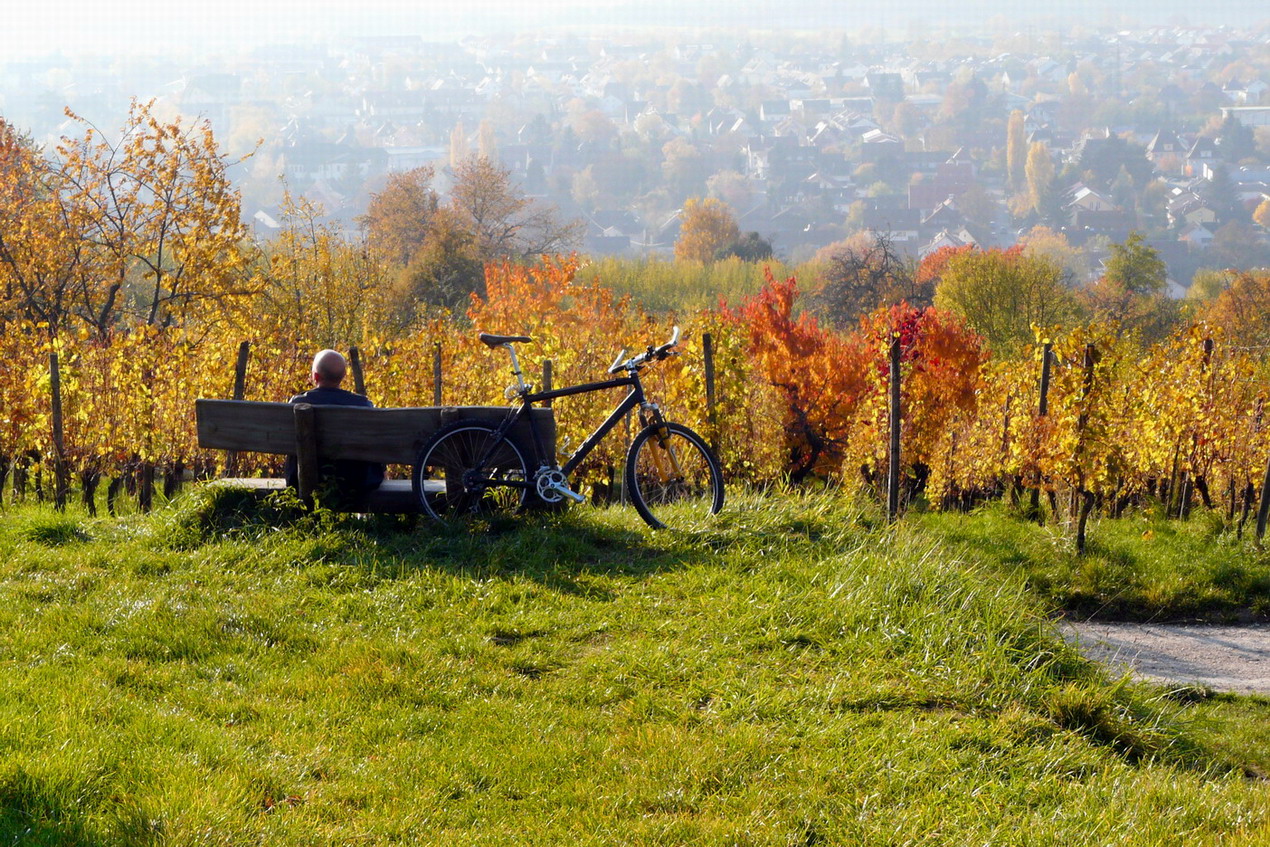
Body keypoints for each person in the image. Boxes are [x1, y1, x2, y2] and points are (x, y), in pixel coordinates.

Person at [285, 349, 385, 496]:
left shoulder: (297, 403)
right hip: (354, 482)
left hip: (302, 479)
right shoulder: (362, 405)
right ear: (343, 376)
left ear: (315, 376)